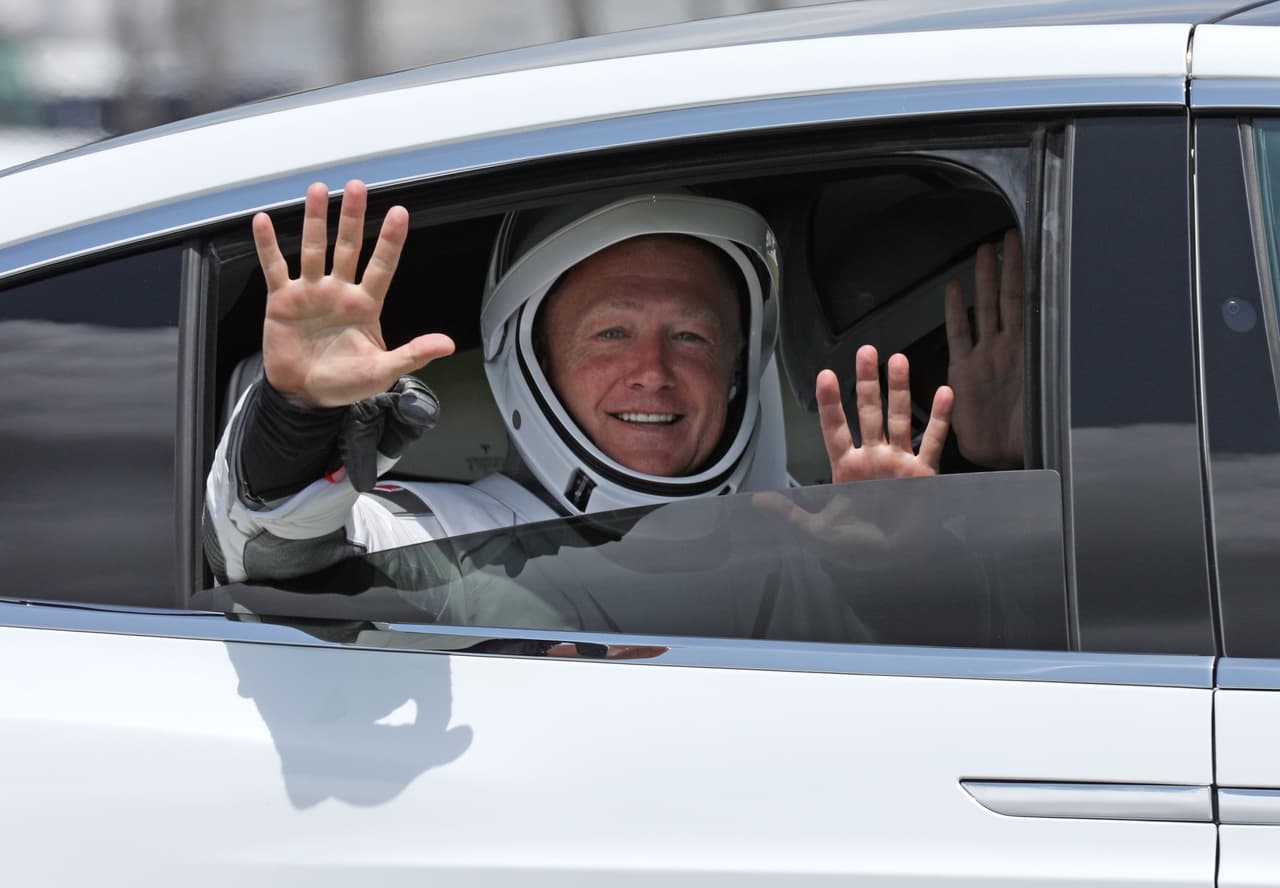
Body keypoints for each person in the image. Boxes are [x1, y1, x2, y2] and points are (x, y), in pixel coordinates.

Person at [204, 180, 1021, 586]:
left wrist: (926, 554)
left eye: (691, 336)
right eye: (612, 333)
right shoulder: (450, 541)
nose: (654, 372)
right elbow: (272, 547)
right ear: (532, 357)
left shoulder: (829, 538)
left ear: (739, 364)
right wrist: (299, 412)